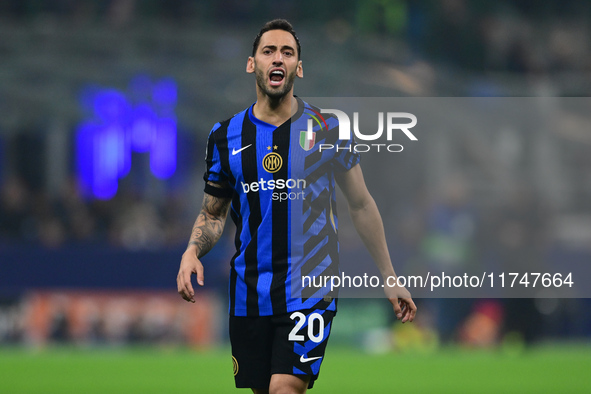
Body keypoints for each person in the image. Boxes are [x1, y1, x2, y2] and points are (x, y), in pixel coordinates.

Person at [177, 19, 416, 394]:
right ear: (251, 64)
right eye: (268, 51)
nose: (278, 58)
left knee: (284, 388)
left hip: (311, 288)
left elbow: (361, 205)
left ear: (298, 69)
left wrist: (388, 275)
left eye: (287, 53)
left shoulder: (328, 128)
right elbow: (212, 213)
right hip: (249, 291)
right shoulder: (224, 137)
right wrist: (192, 251)